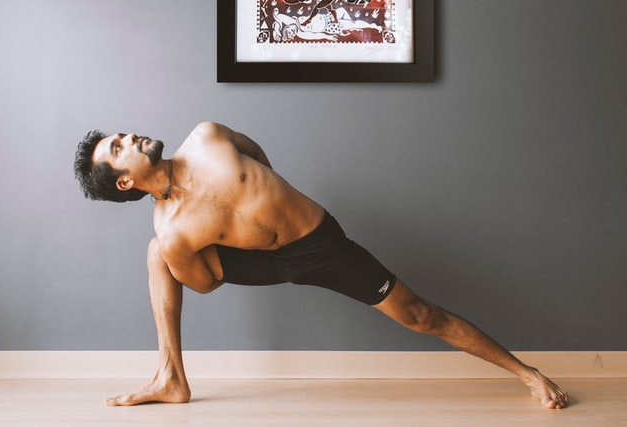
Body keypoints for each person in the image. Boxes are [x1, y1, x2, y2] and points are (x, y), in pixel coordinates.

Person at [73, 121, 569, 410]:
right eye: (118, 148)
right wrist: (197, 245)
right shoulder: (174, 229)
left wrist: (264, 203)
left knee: (419, 314)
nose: (130, 136)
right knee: (158, 251)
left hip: (318, 244)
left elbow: (258, 156)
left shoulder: (206, 137)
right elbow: (203, 284)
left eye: (122, 134)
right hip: (265, 261)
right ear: (123, 183)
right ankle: (171, 377)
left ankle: (526, 374)